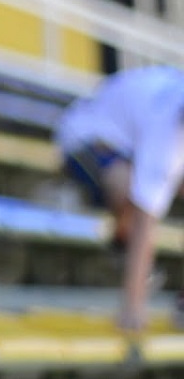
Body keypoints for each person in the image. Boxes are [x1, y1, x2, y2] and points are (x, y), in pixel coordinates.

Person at [55, 65, 184, 331]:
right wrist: (133, 306)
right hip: (85, 135)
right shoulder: (164, 133)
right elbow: (145, 219)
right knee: (128, 187)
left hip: (129, 135)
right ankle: (123, 250)